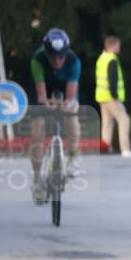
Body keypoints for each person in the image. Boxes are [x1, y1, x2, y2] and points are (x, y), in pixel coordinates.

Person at [28, 28, 82, 205]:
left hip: (64, 89)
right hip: (44, 90)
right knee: (37, 134)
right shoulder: (38, 59)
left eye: (61, 56)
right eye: (53, 57)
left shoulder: (74, 61)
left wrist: (67, 104)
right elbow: (42, 97)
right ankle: (37, 179)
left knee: (72, 113)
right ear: (46, 53)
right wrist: (46, 105)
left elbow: (71, 96)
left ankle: (73, 156)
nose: (58, 61)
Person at [95, 35, 131, 157]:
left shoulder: (102, 58)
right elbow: (112, 78)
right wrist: (115, 95)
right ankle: (125, 149)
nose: (119, 47)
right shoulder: (112, 59)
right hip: (111, 96)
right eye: (118, 45)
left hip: (102, 96)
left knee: (107, 124)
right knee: (124, 120)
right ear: (113, 46)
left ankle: (105, 148)